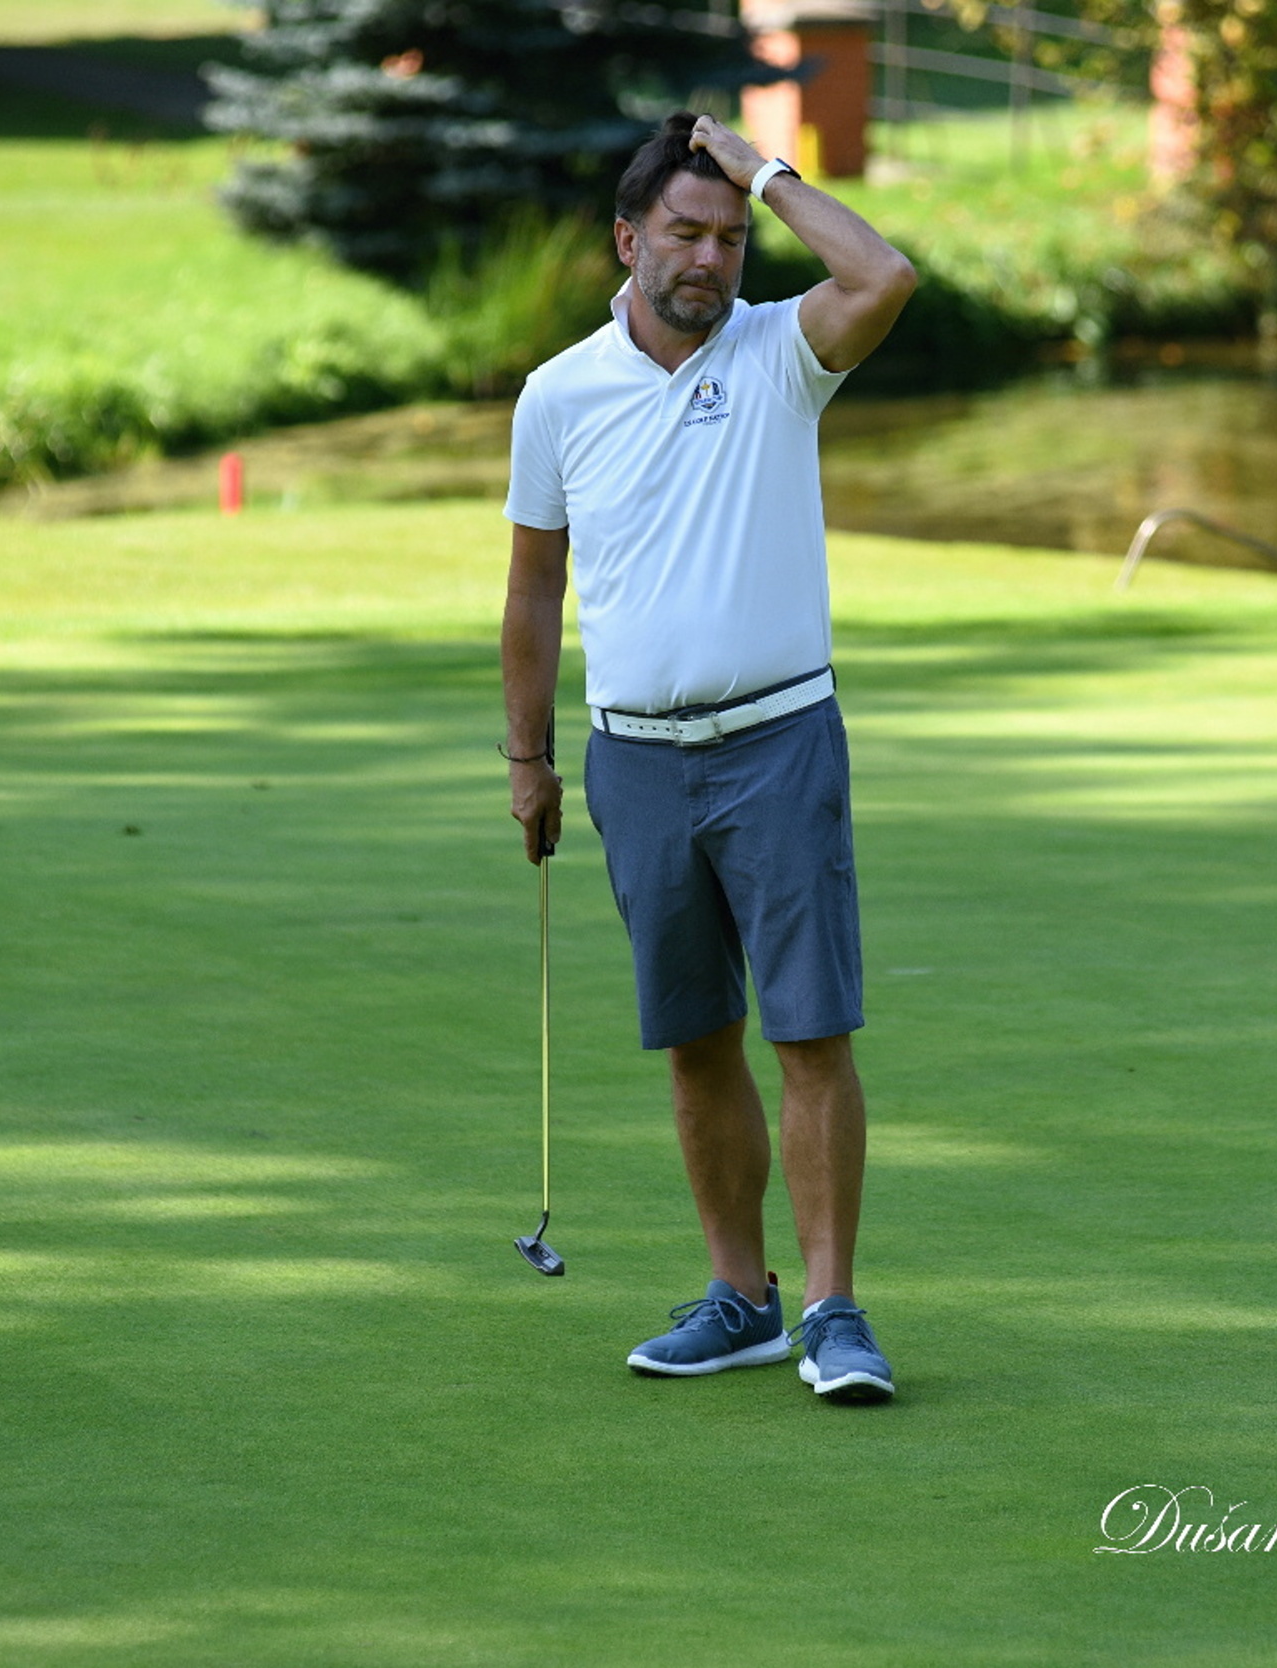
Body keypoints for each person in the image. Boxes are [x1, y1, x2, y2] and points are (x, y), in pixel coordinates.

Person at [499, 111, 918, 1404]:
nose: (709, 257)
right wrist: (527, 758)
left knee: (810, 1034)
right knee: (694, 1039)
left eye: (730, 237)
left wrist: (766, 171)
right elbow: (533, 590)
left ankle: (834, 1313)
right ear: (629, 241)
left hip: (779, 742)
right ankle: (741, 1298)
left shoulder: (782, 351)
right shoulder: (558, 395)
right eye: (684, 232)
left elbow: (883, 276)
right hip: (635, 763)